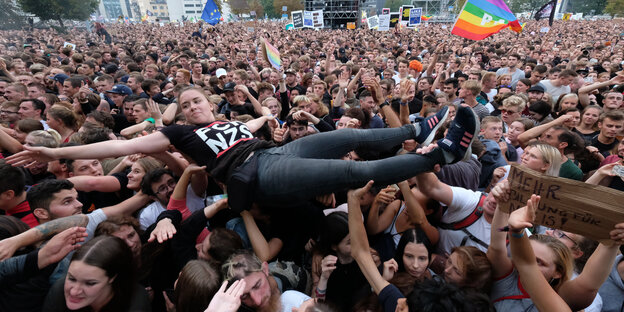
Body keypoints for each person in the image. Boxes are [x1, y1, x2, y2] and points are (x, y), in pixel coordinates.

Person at [8, 87, 479, 214]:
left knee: (349, 137)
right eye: (185, 104)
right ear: (179, 113)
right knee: (354, 172)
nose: (192, 107)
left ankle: (423, 124)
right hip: (257, 176)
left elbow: (256, 119)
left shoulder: (229, 120)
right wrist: (56, 156)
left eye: (197, 101)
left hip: (277, 152)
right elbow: (117, 142)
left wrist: (263, 116)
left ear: (208, 104)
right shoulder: (176, 135)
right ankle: (442, 156)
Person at [42, 235, 150, 311]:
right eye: (71, 278)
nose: (75, 291)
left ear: (112, 277)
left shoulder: (135, 302)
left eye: (90, 283)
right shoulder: (59, 290)